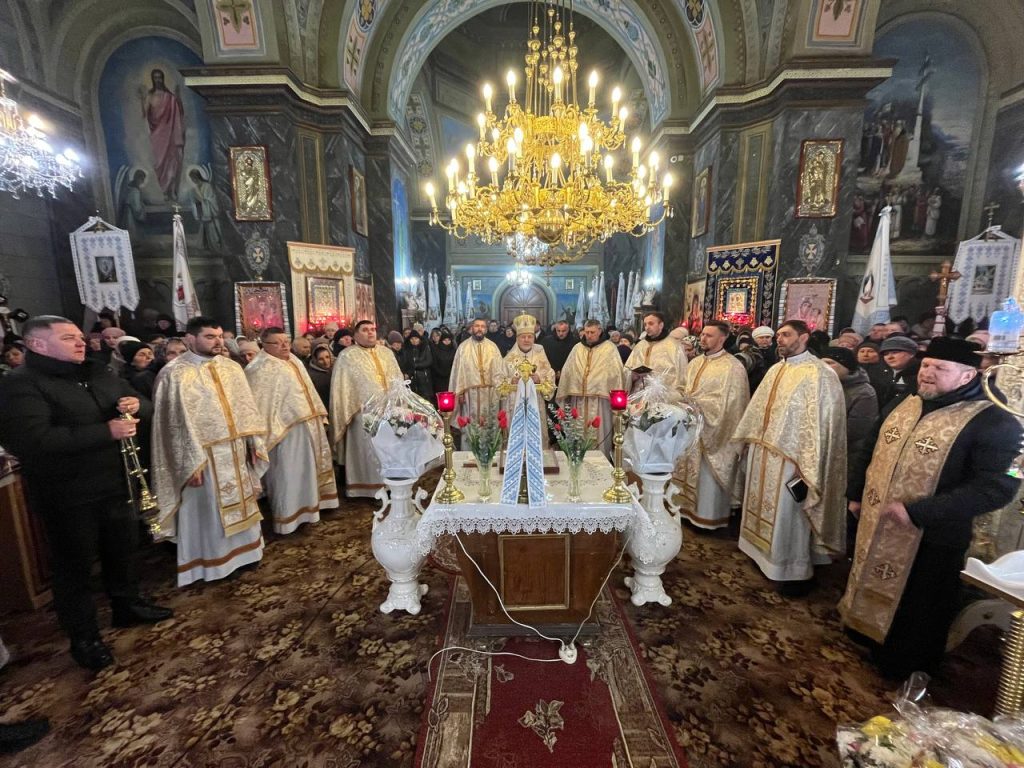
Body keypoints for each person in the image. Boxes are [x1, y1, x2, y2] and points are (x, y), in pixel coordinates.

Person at [840, 337, 1022, 677]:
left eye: (940, 368)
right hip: (879, 519)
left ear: (968, 375)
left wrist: (918, 512)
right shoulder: (906, 401)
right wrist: (856, 493)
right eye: (925, 365)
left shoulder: (996, 422)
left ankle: (902, 666)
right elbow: (870, 447)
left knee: (919, 605)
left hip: (934, 533)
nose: (927, 373)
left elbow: (997, 488)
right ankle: (866, 635)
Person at [0, 315, 172, 670]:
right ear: (37, 344)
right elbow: (33, 441)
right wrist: (105, 432)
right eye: (68, 338)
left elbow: (147, 405)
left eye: (80, 337)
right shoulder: (21, 384)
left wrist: (137, 406)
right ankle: (84, 637)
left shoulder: (99, 372)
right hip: (68, 492)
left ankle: (127, 605)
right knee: (75, 567)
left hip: (115, 482)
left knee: (122, 550)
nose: (81, 342)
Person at [151, 316, 268, 586]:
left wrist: (253, 442)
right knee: (209, 510)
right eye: (209, 337)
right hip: (202, 457)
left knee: (243, 502)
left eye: (218, 336)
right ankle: (214, 563)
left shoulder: (231, 368)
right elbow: (171, 425)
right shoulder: (174, 373)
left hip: (235, 449)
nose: (217, 342)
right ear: (190, 339)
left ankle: (248, 553)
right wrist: (186, 462)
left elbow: (246, 409)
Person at [732, 320, 847, 593]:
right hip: (764, 451)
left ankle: (790, 568)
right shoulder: (776, 369)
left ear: (804, 337)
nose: (779, 340)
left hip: (793, 459)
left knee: (789, 514)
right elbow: (758, 409)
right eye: (779, 335)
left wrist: (808, 462)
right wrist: (747, 439)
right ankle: (759, 555)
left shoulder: (820, 374)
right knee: (761, 507)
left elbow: (823, 425)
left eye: (786, 335)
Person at [245, 328, 338, 535]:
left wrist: (318, 414)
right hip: (283, 433)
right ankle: (288, 519)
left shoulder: (294, 360)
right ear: (264, 345)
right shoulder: (258, 369)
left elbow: (308, 390)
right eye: (277, 343)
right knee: (287, 475)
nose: (284, 346)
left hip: (307, 425)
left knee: (307, 472)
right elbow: (258, 407)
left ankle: (311, 510)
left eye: (286, 341)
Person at [675, 321, 750, 530]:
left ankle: (707, 517)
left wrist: (698, 405)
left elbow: (733, 405)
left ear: (722, 338)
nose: (703, 338)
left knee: (707, 479)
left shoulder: (733, 367)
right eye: (702, 334)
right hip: (690, 428)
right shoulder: (695, 362)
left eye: (709, 335)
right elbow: (684, 387)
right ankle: (684, 511)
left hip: (715, 433)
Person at [329, 320, 403, 498]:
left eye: (372, 329)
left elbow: (398, 377)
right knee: (369, 451)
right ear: (355, 335)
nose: (370, 333)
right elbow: (341, 389)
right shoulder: (347, 356)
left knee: (390, 448)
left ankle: (391, 484)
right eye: (365, 330)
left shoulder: (386, 352)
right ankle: (369, 488)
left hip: (390, 410)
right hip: (362, 413)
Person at [556, 319, 627, 457]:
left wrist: (597, 381)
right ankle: (577, 461)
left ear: (600, 331)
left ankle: (601, 462)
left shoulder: (609, 349)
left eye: (592, 332)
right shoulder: (577, 348)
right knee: (577, 432)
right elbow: (567, 371)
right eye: (587, 332)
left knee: (599, 434)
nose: (589, 335)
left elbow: (616, 373)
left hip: (601, 401)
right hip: (579, 400)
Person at [449, 318, 504, 445]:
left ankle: (491, 451)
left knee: (490, 423)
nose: (480, 329)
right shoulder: (463, 348)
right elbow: (458, 372)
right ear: (471, 328)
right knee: (471, 425)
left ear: (486, 329)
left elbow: (500, 370)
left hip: (491, 393)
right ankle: (470, 452)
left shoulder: (493, 347)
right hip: (470, 395)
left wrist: (500, 390)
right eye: (477, 326)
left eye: (483, 326)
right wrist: (459, 393)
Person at [140, 68, 185, 201]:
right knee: (159, 163)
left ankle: (171, 191)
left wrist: (178, 98)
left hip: (170, 133)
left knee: (172, 162)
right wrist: (142, 99)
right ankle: (163, 191)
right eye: (156, 78)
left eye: (160, 77)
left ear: (163, 79)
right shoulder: (150, 96)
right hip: (157, 135)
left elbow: (180, 113)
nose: (158, 80)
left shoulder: (170, 97)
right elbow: (144, 114)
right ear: (153, 80)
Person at [501, 313, 555, 418]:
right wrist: (511, 381)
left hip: (536, 403)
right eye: (523, 337)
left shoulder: (540, 353)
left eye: (530, 337)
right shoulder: (508, 359)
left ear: (534, 338)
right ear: (517, 338)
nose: (526, 340)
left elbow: (550, 376)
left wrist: (539, 379)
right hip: (514, 404)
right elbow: (498, 380)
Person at [625, 311, 687, 398]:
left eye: (651, 324)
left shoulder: (674, 346)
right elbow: (627, 369)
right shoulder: (640, 346)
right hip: (638, 396)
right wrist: (632, 375)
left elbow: (681, 375)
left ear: (661, 325)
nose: (647, 327)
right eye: (645, 324)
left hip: (662, 397)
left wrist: (653, 376)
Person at [878, 334, 920, 409]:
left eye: (895, 352)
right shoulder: (880, 373)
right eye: (886, 354)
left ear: (911, 354)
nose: (890, 357)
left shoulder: (920, 376)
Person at [402, 330, 435, 402]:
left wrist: (415, 365)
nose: (414, 340)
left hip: (424, 377)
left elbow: (429, 361)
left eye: (416, 338)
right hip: (412, 378)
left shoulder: (425, 347)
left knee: (425, 399)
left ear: (419, 339)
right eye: (412, 339)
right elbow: (405, 363)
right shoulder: (406, 349)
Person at [307, 343, 333, 410]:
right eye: (321, 359)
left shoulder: (334, 369)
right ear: (315, 360)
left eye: (327, 357)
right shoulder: (310, 376)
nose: (325, 361)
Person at [431, 330, 457, 395]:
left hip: (450, 377)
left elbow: (456, 363)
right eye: (445, 340)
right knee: (441, 395)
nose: (447, 342)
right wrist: (440, 372)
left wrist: (450, 372)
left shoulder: (454, 350)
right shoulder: (436, 350)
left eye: (449, 340)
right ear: (441, 341)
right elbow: (434, 363)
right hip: (439, 378)